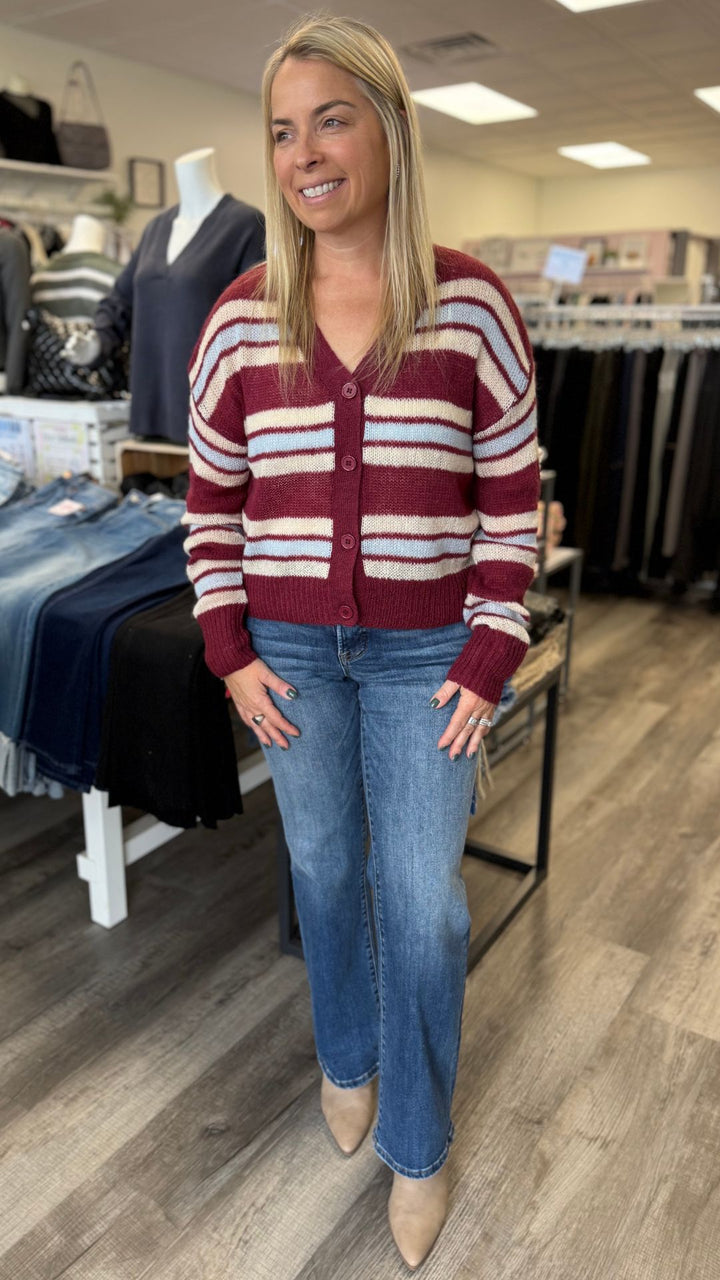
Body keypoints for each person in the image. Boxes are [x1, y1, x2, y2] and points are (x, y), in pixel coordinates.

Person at [183, 12, 540, 1270]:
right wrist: (227, 645)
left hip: (424, 661)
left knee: (425, 906)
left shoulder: (472, 304)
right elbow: (210, 501)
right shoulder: (239, 316)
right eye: (283, 131)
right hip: (286, 653)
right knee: (326, 873)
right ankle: (348, 1053)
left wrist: (487, 652)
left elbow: (513, 497)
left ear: (390, 124)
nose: (304, 153)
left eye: (331, 118)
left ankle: (421, 1142)